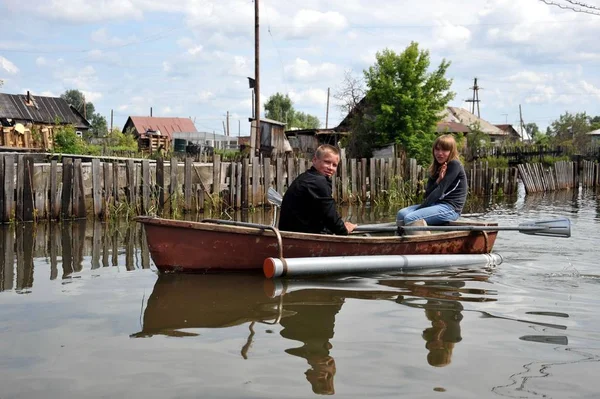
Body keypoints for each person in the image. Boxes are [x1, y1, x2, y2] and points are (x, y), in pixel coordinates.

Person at [279, 144, 357, 235]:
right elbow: (329, 215)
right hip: (299, 237)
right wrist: (343, 229)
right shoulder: (317, 181)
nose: (330, 168)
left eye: (334, 165)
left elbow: (323, 214)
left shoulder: (306, 176)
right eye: (327, 162)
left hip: (290, 233)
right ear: (315, 160)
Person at [396, 134, 467, 227]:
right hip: (435, 205)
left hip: (451, 208)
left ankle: (420, 241)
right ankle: (402, 238)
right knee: (401, 214)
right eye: (437, 149)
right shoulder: (436, 167)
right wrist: (438, 180)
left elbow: (440, 191)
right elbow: (427, 194)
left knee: (411, 218)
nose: (440, 153)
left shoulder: (454, 164)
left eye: (444, 150)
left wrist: (420, 209)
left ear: (451, 152)